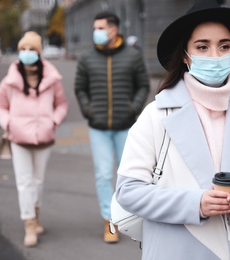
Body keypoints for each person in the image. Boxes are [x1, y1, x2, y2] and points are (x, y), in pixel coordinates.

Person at [115, 0, 230, 259]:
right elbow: (129, 191)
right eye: (202, 46)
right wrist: (196, 204)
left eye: (224, 46)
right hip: (173, 249)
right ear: (186, 55)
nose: (215, 55)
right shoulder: (157, 114)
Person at [74, 11, 150, 243]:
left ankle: (134, 218)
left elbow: (143, 85)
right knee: (104, 174)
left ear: (114, 29)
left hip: (126, 126)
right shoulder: (87, 57)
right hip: (98, 128)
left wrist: (132, 108)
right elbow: (80, 88)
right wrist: (88, 109)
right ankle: (111, 221)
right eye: (95, 27)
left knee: (131, 176)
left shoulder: (132, 56)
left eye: (100, 27)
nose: (95, 32)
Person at [0, 31, 68, 247]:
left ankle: (35, 217)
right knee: (24, 182)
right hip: (18, 137)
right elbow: (1, 106)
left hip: (44, 136)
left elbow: (62, 104)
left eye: (31, 49)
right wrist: (8, 124)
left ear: (39, 52)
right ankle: (29, 225)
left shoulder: (52, 78)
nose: (26, 53)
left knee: (38, 182)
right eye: (23, 49)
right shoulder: (10, 80)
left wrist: (53, 122)